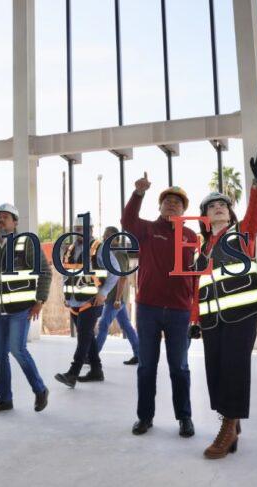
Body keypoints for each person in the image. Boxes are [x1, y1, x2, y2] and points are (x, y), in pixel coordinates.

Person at [192, 148, 257, 459]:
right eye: (212, 206)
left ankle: (228, 427)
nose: (219, 207)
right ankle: (230, 424)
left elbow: (256, 210)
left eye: (223, 204)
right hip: (212, 320)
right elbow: (198, 287)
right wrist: (194, 321)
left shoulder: (242, 233)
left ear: (231, 212)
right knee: (216, 371)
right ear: (204, 217)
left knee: (235, 368)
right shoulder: (201, 251)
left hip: (241, 314)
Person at [122, 176, 197, 439]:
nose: (172, 205)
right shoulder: (146, 230)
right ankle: (145, 417)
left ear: (184, 210)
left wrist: (194, 313)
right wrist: (138, 193)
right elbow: (127, 221)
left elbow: (195, 275)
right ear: (160, 206)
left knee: (179, 367)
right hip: (148, 310)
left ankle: (185, 418)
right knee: (147, 366)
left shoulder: (190, 235)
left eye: (177, 202)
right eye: (167, 201)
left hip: (179, 311)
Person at [0, 203, 51, 414]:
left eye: (6, 217)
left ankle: (40, 389)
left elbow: (45, 272)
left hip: (20, 310)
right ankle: (5, 398)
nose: (1, 220)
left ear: (15, 222)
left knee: (17, 349)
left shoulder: (27, 244)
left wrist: (40, 300)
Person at [54, 215, 120, 389]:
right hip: (75, 301)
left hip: (92, 301)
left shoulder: (99, 248)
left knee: (83, 337)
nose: (79, 232)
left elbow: (116, 271)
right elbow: (65, 274)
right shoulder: (69, 249)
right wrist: (67, 296)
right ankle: (96, 370)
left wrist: (104, 292)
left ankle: (72, 373)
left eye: (83, 229)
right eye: (77, 229)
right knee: (88, 337)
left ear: (90, 230)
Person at [95, 226, 139, 365]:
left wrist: (118, 299)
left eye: (107, 235)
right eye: (104, 234)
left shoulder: (118, 253)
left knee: (103, 324)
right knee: (125, 325)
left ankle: (92, 356)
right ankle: (139, 354)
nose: (104, 237)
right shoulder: (109, 251)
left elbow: (122, 277)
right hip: (113, 296)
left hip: (115, 297)